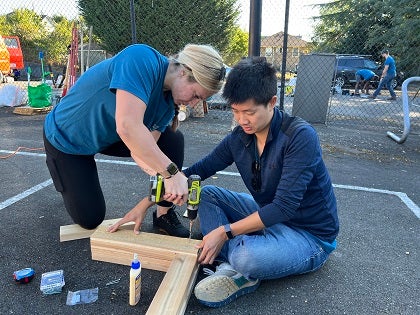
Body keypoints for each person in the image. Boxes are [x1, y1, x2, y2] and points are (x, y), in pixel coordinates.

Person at [109, 57, 339, 308]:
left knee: (246, 257)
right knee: (205, 194)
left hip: (308, 235)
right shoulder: (240, 137)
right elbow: (197, 172)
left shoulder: (299, 137)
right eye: (236, 111)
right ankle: (233, 255)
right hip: (266, 215)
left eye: (249, 112)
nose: (242, 120)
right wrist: (148, 202)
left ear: (272, 103)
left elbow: (284, 207)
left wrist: (224, 231)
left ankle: (239, 267)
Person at [43, 43, 225, 237]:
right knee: (90, 220)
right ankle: (63, 173)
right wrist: (172, 174)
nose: (194, 103)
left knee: (172, 139)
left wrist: (162, 186)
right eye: (196, 95)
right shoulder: (140, 59)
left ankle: (163, 213)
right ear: (183, 72)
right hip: (67, 140)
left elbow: (142, 151)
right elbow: (127, 126)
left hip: (110, 136)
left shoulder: (168, 104)